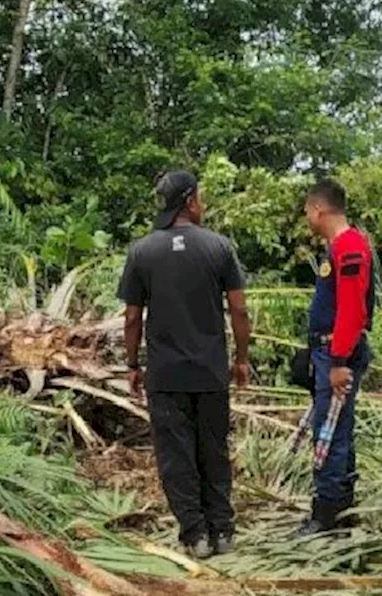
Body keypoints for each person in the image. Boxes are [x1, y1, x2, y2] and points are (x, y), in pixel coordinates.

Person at [118, 170, 252, 559]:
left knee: (177, 455)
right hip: (211, 371)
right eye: (202, 197)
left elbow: (131, 317)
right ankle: (223, 530)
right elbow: (239, 309)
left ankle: (195, 535)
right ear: (190, 200)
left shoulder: (142, 252)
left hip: (166, 374)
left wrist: (132, 364)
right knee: (213, 448)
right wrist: (241, 359)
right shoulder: (219, 248)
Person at [296, 178, 376, 537]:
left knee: (329, 434)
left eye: (307, 211)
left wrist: (340, 360)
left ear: (318, 209)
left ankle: (326, 516)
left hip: (337, 354)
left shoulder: (350, 247)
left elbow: (352, 310)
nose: (306, 218)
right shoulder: (340, 246)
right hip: (328, 351)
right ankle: (341, 509)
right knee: (337, 430)